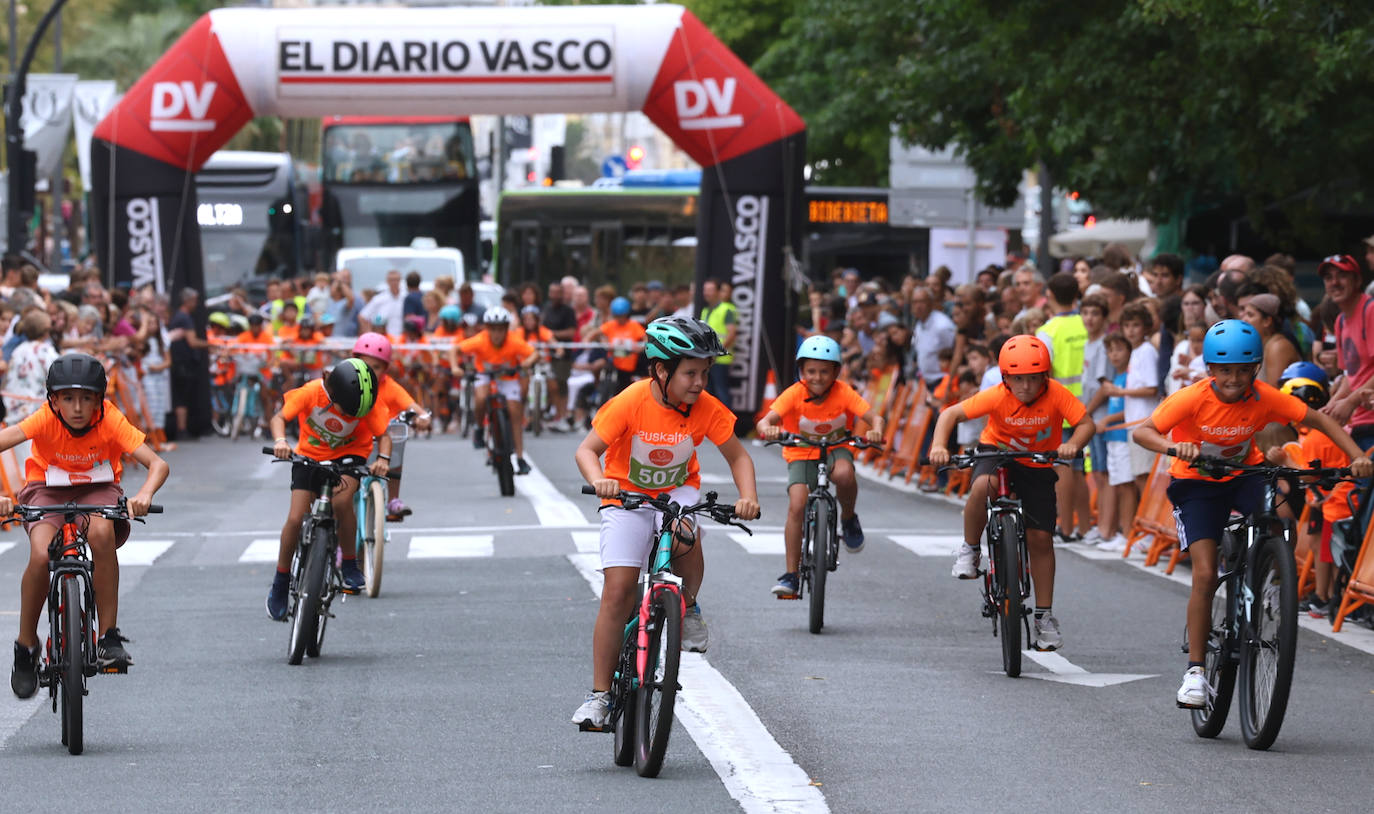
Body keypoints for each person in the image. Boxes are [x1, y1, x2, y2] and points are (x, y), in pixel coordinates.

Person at [1130, 320, 1372, 708]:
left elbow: (1320, 420)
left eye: (1244, 370)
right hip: (1196, 483)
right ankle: (1195, 673)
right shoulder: (1192, 398)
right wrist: (1175, 449)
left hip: (1245, 475)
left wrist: (1358, 456)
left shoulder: (1263, 396)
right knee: (1205, 574)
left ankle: (1270, 580)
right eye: (1225, 370)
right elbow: (1142, 432)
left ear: (1255, 368)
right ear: (1211, 369)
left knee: (1277, 520)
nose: (1234, 379)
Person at [571, 316, 760, 729]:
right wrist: (599, 479)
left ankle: (687, 606)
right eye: (691, 373)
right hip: (625, 495)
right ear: (661, 370)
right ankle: (599, 696)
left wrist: (748, 497)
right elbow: (587, 450)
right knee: (618, 591)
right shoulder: (632, 400)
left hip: (677, 492)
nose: (700, 382)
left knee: (685, 534)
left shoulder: (705, 407)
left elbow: (739, 457)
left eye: (705, 372)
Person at [3, 354, 170, 694]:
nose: (77, 407)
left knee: (102, 533)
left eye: (86, 398)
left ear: (99, 400)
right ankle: (26, 646)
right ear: (54, 400)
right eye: (68, 398)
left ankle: (108, 637)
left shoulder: (110, 418)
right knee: (40, 555)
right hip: (47, 488)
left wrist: (145, 494)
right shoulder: (45, 417)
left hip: (98, 488)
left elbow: (158, 464)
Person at [929, 335, 1095, 651]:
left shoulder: (1057, 394)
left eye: (1033, 378)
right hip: (997, 453)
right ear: (1005, 378)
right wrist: (938, 446)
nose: (1026, 386)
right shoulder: (997, 395)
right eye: (1017, 379)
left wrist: (1074, 443)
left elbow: (1086, 423)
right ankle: (970, 549)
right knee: (983, 486)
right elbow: (950, 414)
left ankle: (1044, 617)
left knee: (1041, 538)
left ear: (1045, 376)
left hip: (1037, 461)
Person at [756, 336, 884, 597]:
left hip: (836, 449)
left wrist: (876, 431)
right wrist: (768, 428)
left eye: (824, 371)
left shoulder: (844, 392)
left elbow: (875, 418)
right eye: (811, 371)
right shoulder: (794, 393)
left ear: (836, 372)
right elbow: (765, 420)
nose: (817, 377)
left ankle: (848, 518)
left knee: (845, 474)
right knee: (797, 504)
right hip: (801, 452)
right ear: (801, 371)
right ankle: (791, 575)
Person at [265, 359, 392, 620]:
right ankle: (281, 579)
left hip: (349, 458)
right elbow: (279, 418)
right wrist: (281, 441)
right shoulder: (311, 392)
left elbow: (384, 436)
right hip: (309, 456)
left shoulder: (365, 401)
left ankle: (349, 563)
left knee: (342, 502)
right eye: (346, 412)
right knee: (295, 518)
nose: (350, 418)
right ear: (333, 393)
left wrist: (383, 459)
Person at [1272, 362, 1351, 618]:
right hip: (1325, 500)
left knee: (1329, 551)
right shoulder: (1313, 433)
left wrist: (1284, 460)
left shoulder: (1317, 435)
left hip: (1333, 503)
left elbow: (1310, 474)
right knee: (1320, 549)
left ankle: (1329, 596)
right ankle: (1322, 595)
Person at [351, 333, 433, 521]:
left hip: (383, 439)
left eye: (377, 367)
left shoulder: (391, 387)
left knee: (397, 445)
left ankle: (393, 500)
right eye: (365, 365)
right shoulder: (349, 382)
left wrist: (423, 417)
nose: (370, 371)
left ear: (386, 369)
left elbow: (413, 407)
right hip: (353, 439)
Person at [452, 307, 538, 475]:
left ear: (506, 329)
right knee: (480, 398)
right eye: (493, 329)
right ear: (487, 329)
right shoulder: (480, 340)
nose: (497, 334)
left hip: (508, 377)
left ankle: (520, 458)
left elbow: (534, 353)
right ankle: (478, 428)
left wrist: (528, 362)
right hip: (484, 375)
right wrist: (455, 367)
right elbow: (454, 350)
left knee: (515, 411)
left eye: (500, 329)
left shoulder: (514, 341)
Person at [1036, 273, 1090, 543]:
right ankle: (1085, 527)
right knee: (1079, 469)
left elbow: (1041, 372)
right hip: (1089, 404)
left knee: (1064, 468)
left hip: (1062, 408)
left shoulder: (1048, 331)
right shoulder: (1086, 323)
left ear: (1050, 295)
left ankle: (1066, 527)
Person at [596, 296, 646, 392]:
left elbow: (646, 338)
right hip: (613, 365)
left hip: (629, 367)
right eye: (617, 316)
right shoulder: (610, 325)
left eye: (621, 316)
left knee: (626, 389)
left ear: (626, 314)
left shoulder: (634, 325)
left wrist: (640, 348)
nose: (619, 319)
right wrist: (603, 341)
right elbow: (596, 333)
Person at [700, 280, 737, 403]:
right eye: (705, 290)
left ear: (718, 292)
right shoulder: (705, 311)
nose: (706, 293)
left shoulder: (726, 309)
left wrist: (716, 352)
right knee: (709, 392)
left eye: (710, 290)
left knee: (721, 391)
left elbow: (731, 334)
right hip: (707, 358)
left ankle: (726, 416)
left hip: (720, 359)